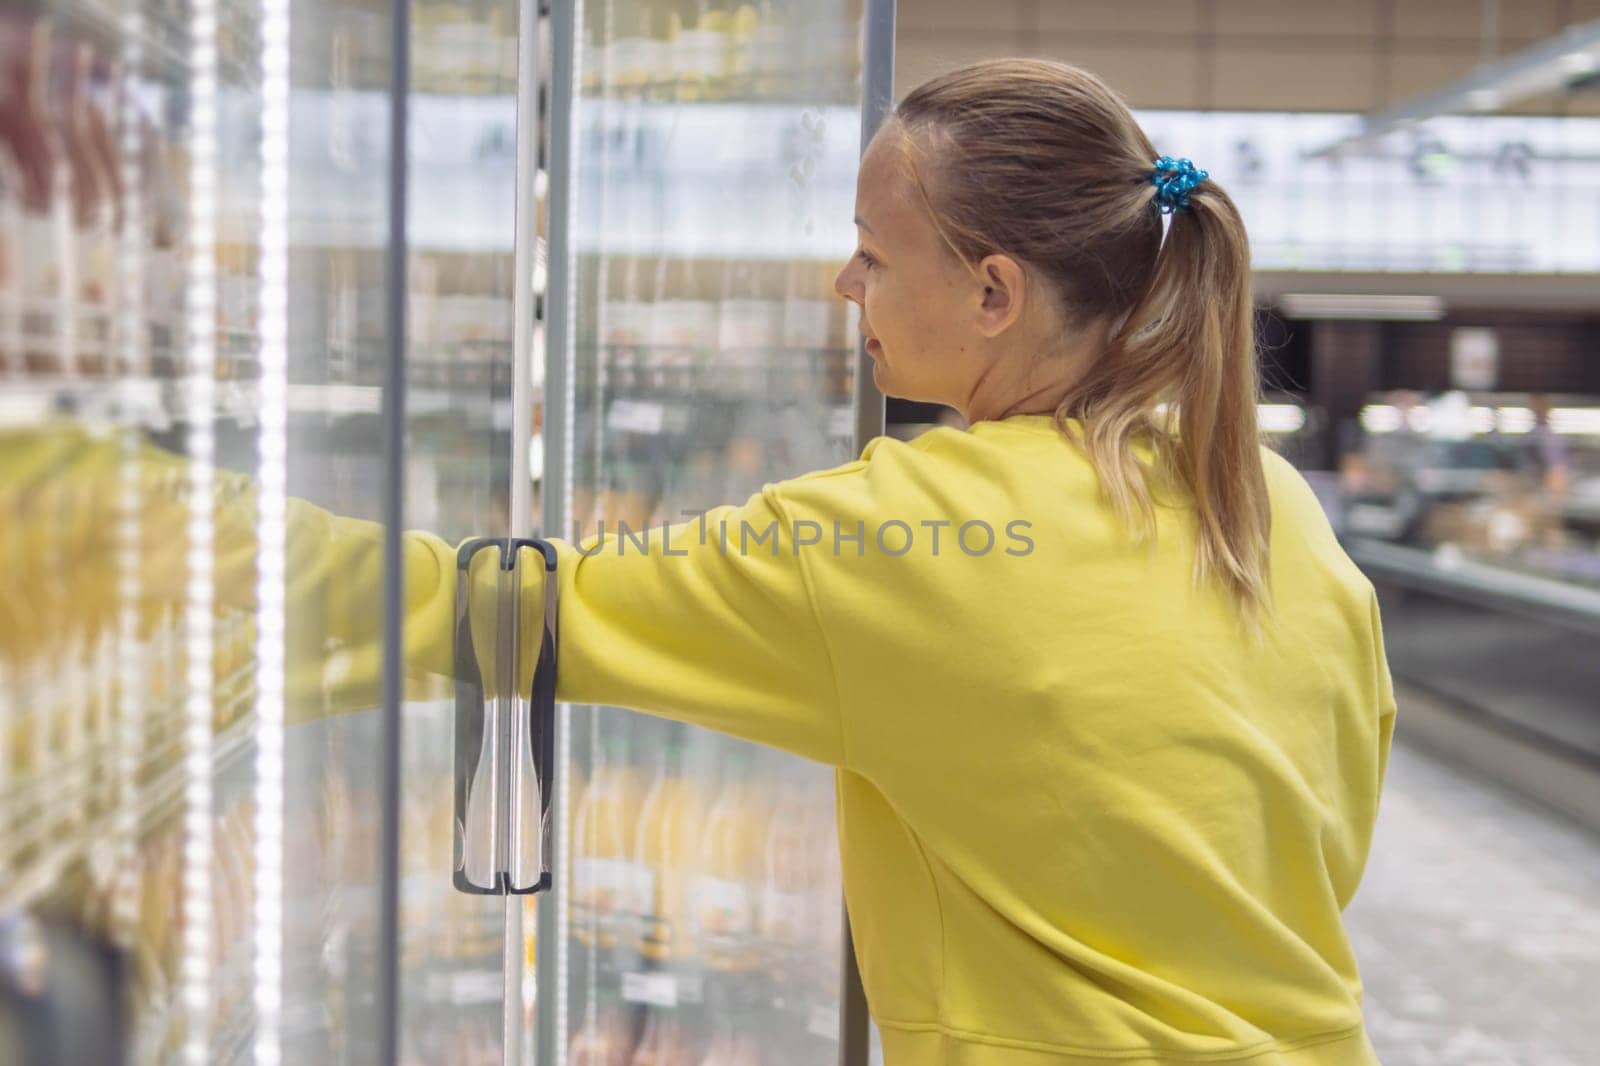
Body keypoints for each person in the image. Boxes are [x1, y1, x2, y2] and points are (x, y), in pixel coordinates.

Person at [4, 59, 1395, 1066]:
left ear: (993, 293)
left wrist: (118, 504)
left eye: (869, 253)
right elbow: (1314, 840)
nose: (847, 287)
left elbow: (496, 608)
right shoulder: (1272, 509)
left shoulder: (908, 534)